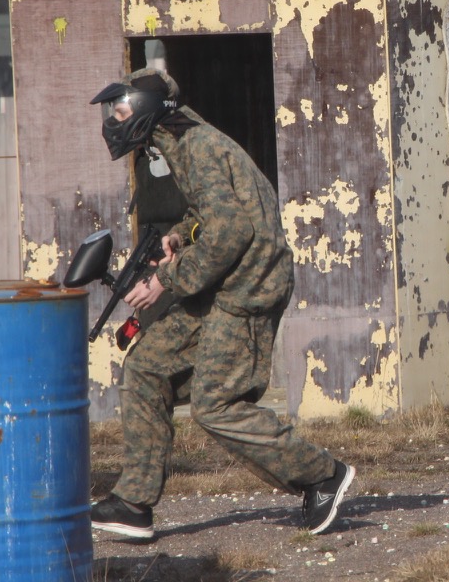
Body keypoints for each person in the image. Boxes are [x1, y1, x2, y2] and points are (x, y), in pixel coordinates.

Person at [86, 68, 355, 540]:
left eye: (121, 109)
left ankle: (322, 476)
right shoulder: (182, 144)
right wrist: (179, 234)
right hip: (215, 286)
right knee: (146, 367)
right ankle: (133, 503)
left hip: (246, 290)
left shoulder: (201, 147)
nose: (113, 119)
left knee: (216, 406)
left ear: (147, 112)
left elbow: (234, 232)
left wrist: (165, 280)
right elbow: (212, 215)